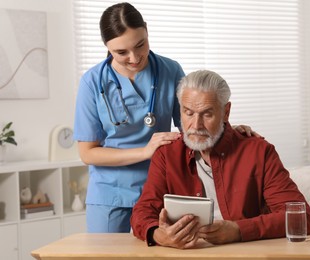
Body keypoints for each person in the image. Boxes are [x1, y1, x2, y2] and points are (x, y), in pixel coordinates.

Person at [73, 3, 256, 233]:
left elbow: (192, 126)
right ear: (107, 47)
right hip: (111, 194)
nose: (134, 58)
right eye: (121, 52)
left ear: (147, 30)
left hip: (162, 187)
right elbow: (87, 152)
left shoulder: (170, 70)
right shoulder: (92, 83)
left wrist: (227, 130)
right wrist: (144, 151)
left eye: (140, 45)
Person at [131, 70, 310, 248]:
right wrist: (158, 234)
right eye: (188, 113)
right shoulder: (167, 154)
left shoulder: (259, 151)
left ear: (226, 112)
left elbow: (301, 218)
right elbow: (142, 212)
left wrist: (238, 230)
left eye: (207, 114)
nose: (196, 125)